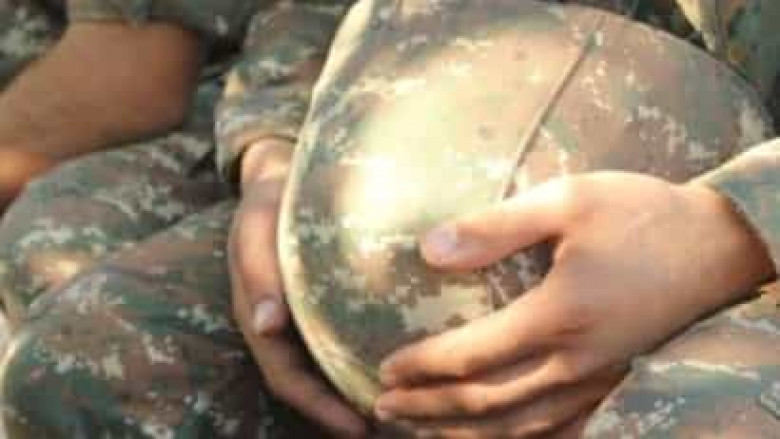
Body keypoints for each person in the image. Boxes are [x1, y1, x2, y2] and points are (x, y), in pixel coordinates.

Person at [0, 2, 777, 439]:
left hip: (749, 244)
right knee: (89, 365)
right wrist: (274, 151)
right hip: (435, 193)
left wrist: (731, 228)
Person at [0, 0, 366, 437]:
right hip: (293, 98)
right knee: (52, 242)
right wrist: (267, 150)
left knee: (71, 312)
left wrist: (275, 150)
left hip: (352, 117)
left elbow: (128, 75)